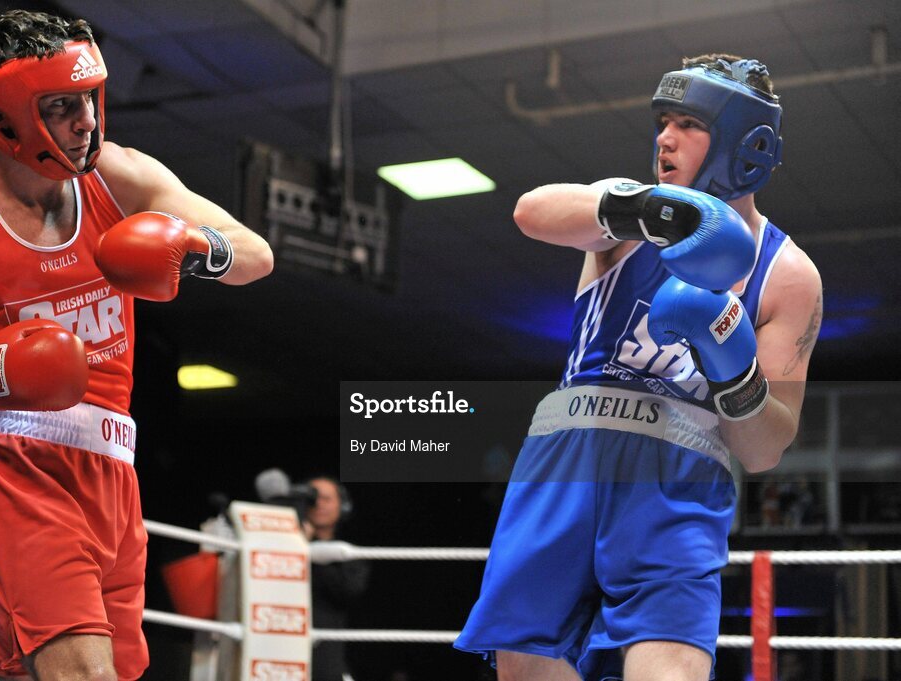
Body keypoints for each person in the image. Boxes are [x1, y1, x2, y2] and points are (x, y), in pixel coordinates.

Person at [0, 10, 272, 681]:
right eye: (62, 105)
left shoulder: (117, 178)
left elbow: (255, 253)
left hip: (114, 474)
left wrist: (194, 248)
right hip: (14, 470)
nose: (86, 119)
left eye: (89, 98)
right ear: (5, 116)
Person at [454, 55, 822, 681]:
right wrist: (646, 212)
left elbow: (764, 451)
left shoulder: (787, 274)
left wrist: (733, 371)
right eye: (663, 121)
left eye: (688, 124)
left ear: (742, 141)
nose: (664, 137)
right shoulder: (627, 217)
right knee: (525, 667)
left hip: (679, 484)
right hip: (567, 461)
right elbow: (531, 211)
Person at [303, 477, 370, 681]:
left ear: (343, 506)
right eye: (312, 498)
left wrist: (311, 549)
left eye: (326, 498)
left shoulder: (348, 554)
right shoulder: (282, 545)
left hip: (326, 657)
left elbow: (348, 591)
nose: (319, 504)